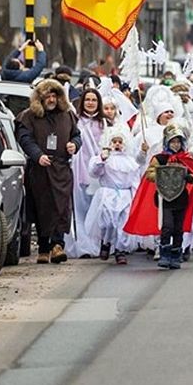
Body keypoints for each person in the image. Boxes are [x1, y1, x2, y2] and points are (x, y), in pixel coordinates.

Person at [16, 79, 82, 264]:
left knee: (61, 207)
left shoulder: (67, 115)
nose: (52, 99)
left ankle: (57, 245)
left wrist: (74, 145)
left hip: (61, 168)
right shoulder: (29, 116)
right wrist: (37, 155)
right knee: (42, 208)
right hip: (40, 171)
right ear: (40, 98)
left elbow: (77, 135)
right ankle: (44, 247)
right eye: (48, 96)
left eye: (54, 96)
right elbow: (25, 139)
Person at [141, 124, 193, 269]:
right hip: (164, 197)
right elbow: (149, 173)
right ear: (167, 142)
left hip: (181, 197)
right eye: (173, 142)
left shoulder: (185, 158)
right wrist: (161, 175)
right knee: (167, 226)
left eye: (178, 142)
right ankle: (165, 254)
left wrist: (187, 176)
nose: (175, 145)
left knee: (178, 228)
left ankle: (176, 254)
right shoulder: (159, 158)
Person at [84, 124, 140, 265]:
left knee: (123, 223)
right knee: (107, 222)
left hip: (125, 195)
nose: (117, 145)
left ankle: (120, 250)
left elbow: (134, 180)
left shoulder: (130, 161)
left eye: (120, 142)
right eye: (114, 142)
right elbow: (94, 173)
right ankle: (106, 241)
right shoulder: (104, 159)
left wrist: (136, 197)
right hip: (107, 194)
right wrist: (101, 160)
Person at [67, 88, 108, 258]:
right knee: (80, 209)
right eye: (87, 100)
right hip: (80, 169)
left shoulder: (103, 124)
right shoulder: (75, 121)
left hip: (98, 170)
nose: (90, 103)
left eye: (94, 100)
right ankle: (82, 246)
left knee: (97, 209)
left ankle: (98, 244)